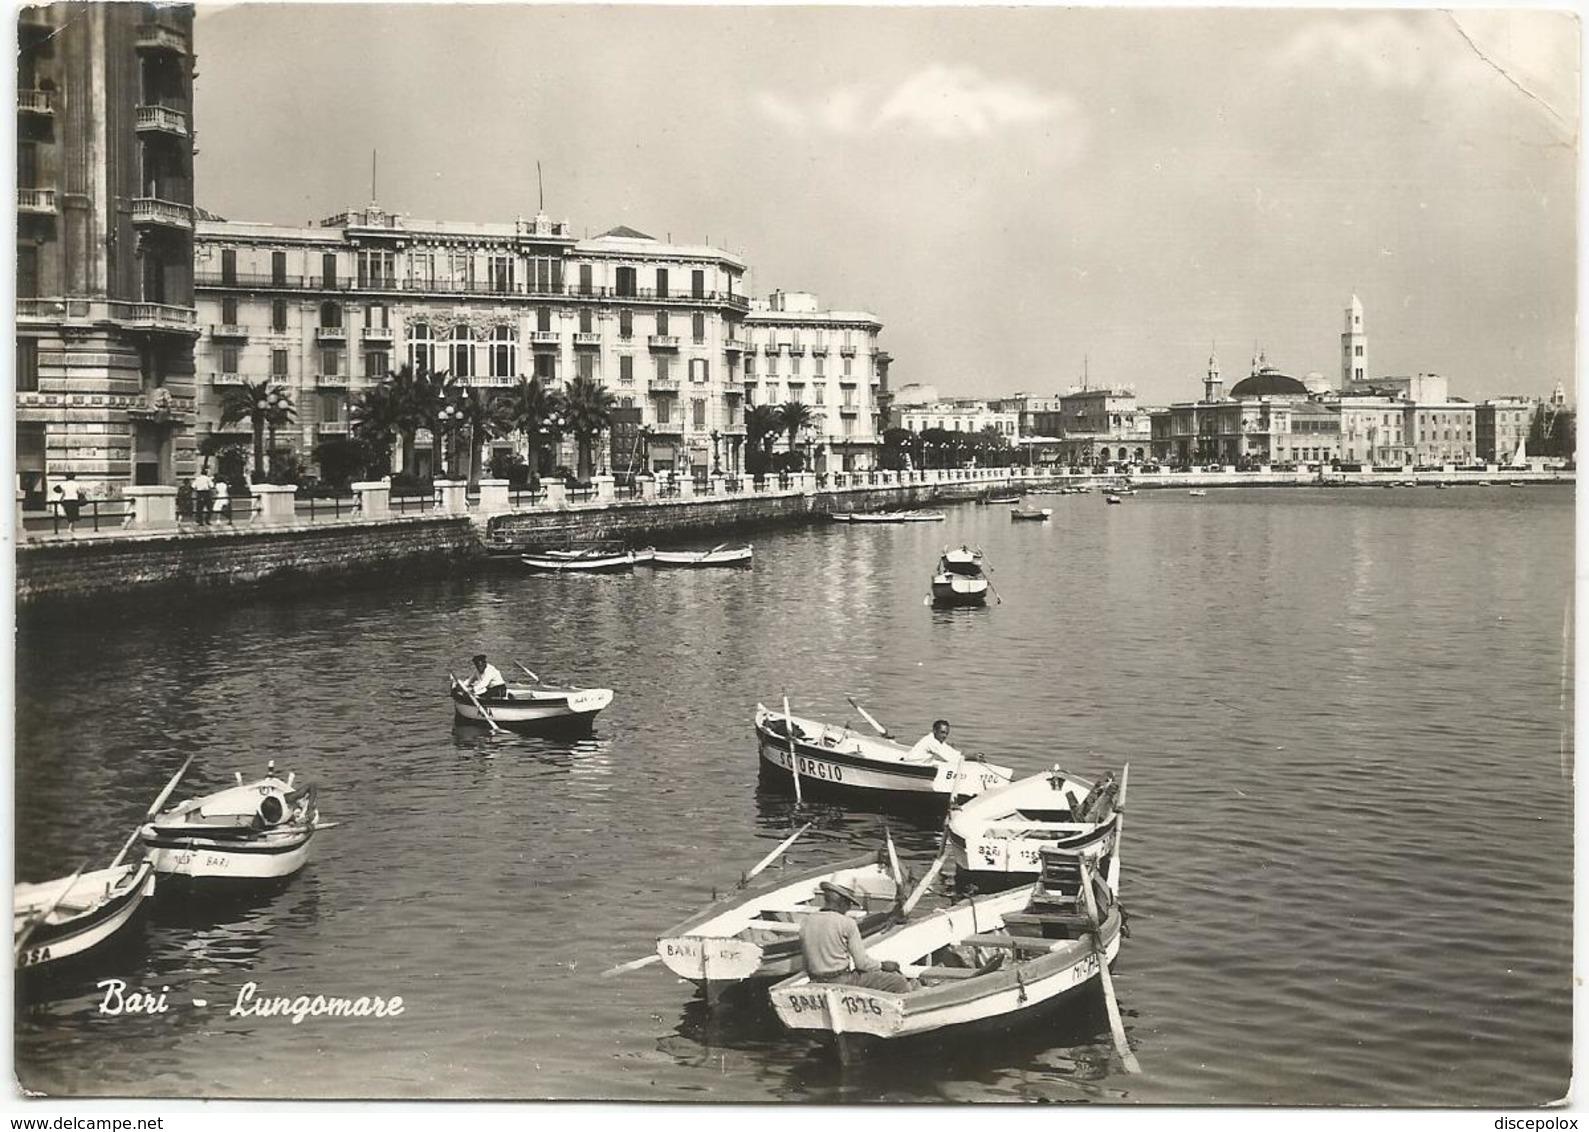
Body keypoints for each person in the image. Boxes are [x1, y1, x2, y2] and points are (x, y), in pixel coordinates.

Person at [799, 881, 912, 993]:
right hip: (842, 981)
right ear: (842, 903)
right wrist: (883, 965)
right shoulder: (847, 923)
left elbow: (806, 964)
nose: (848, 909)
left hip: (815, 980)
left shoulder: (806, 922)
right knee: (898, 982)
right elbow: (862, 963)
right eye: (849, 904)